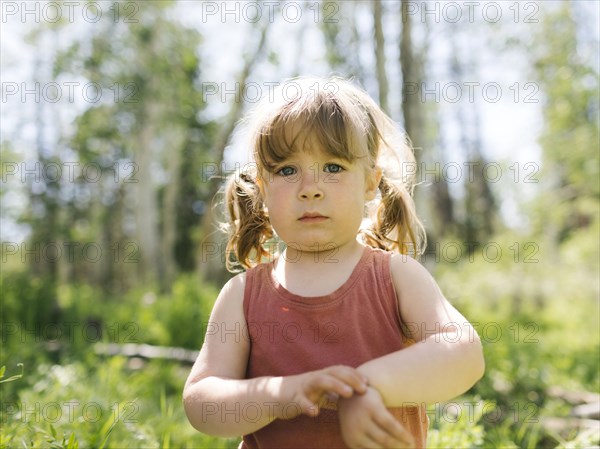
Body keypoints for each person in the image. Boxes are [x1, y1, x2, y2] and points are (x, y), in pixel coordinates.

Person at [183, 76, 485, 449]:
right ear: (262, 190)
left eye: (333, 167)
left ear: (370, 183)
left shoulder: (394, 276)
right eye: (287, 170)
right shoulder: (242, 294)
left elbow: (465, 352)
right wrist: (283, 394)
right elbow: (201, 403)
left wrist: (366, 386)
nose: (311, 187)